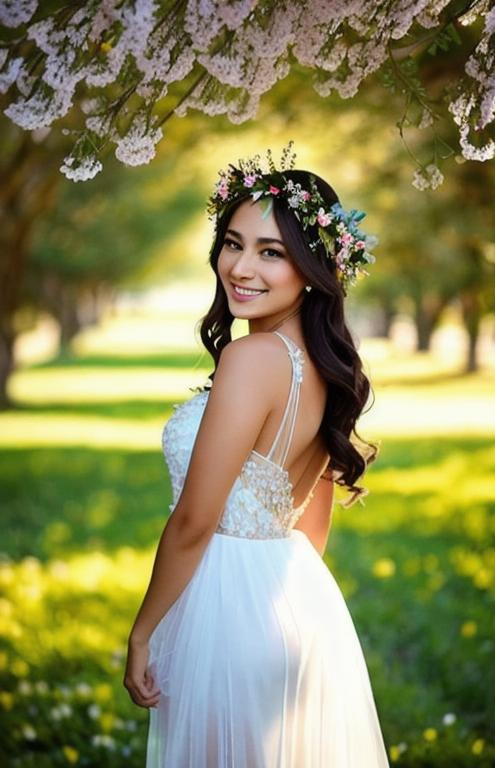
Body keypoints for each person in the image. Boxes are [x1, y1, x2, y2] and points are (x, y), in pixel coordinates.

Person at [123, 142, 390, 767]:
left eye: (272, 253)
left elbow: (194, 520)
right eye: (233, 243)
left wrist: (143, 633)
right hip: (290, 603)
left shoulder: (253, 358)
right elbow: (311, 526)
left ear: (313, 269)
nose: (241, 267)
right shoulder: (324, 369)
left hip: (228, 613)